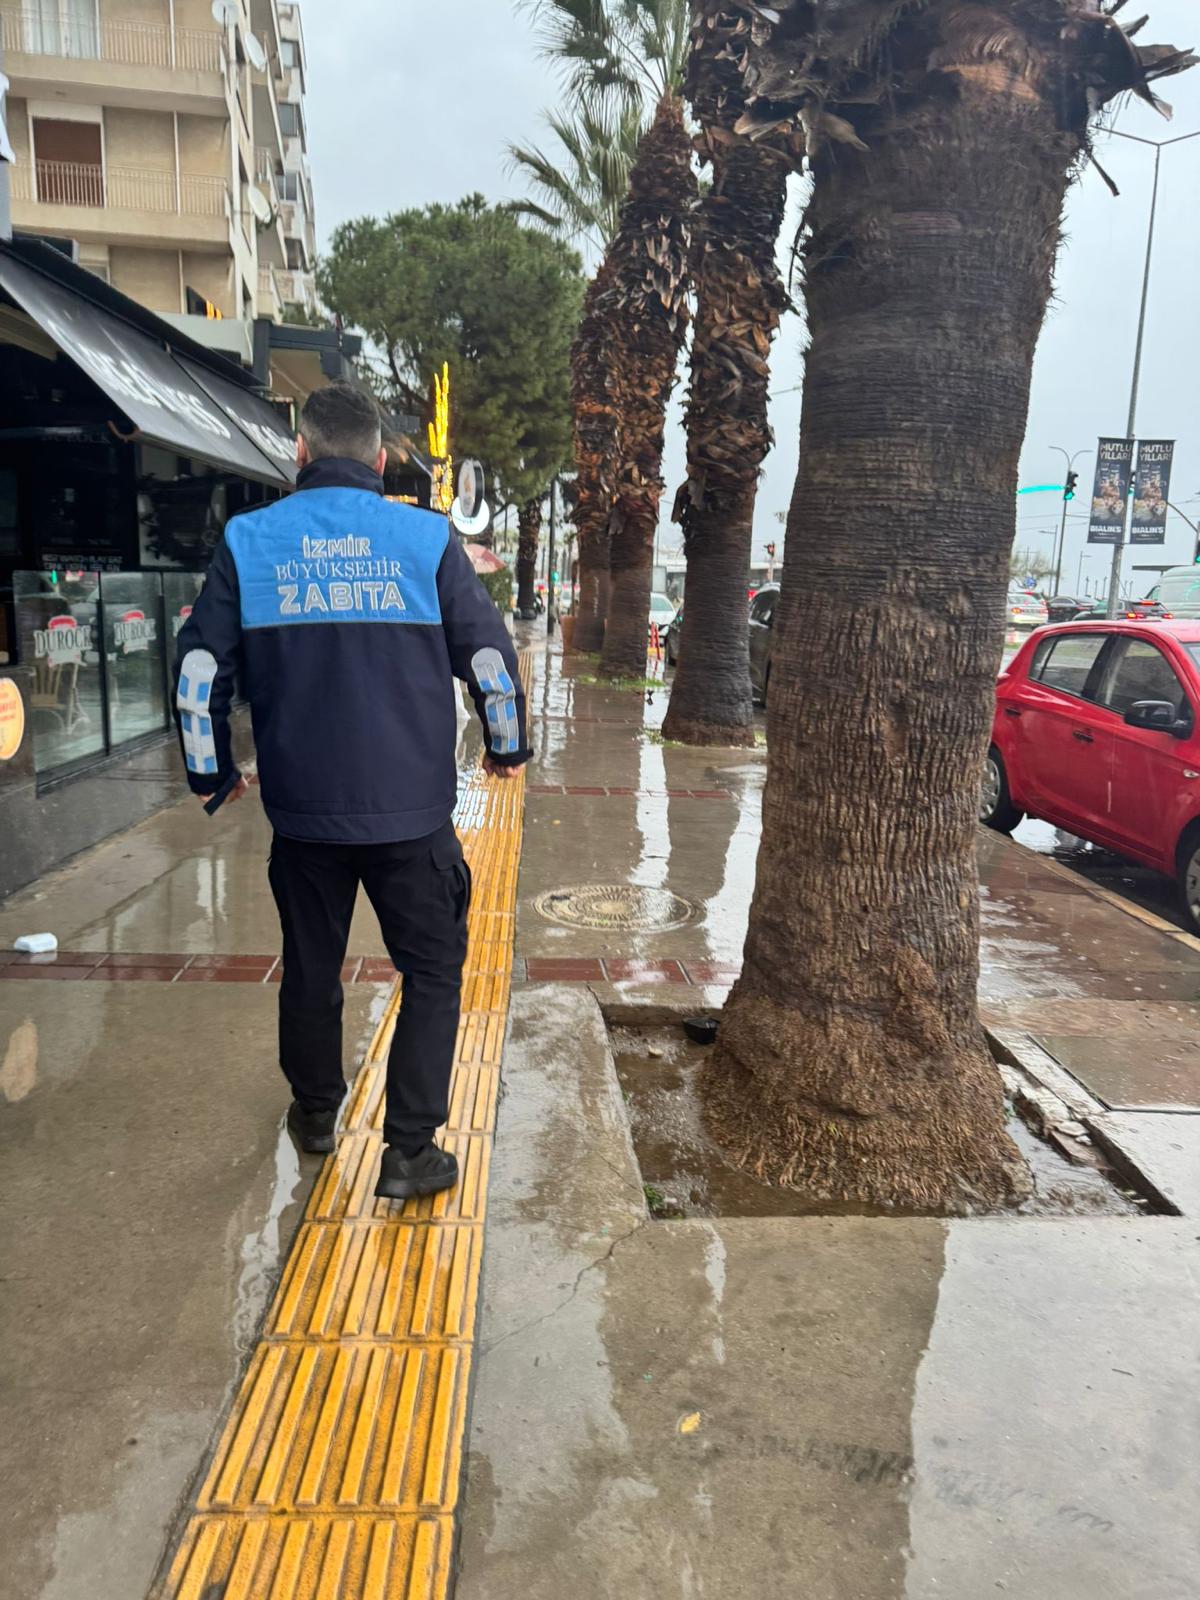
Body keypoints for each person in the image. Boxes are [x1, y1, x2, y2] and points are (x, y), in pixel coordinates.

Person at [173, 382, 529, 1200]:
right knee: (434, 969)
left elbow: (199, 676)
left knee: (310, 968)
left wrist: (212, 775)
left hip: (302, 818)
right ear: (379, 458)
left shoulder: (248, 541)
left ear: (300, 450)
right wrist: (506, 748)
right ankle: (409, 1153)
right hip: (412, 820)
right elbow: (487, 657)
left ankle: (315, 1112)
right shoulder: (424, 537)